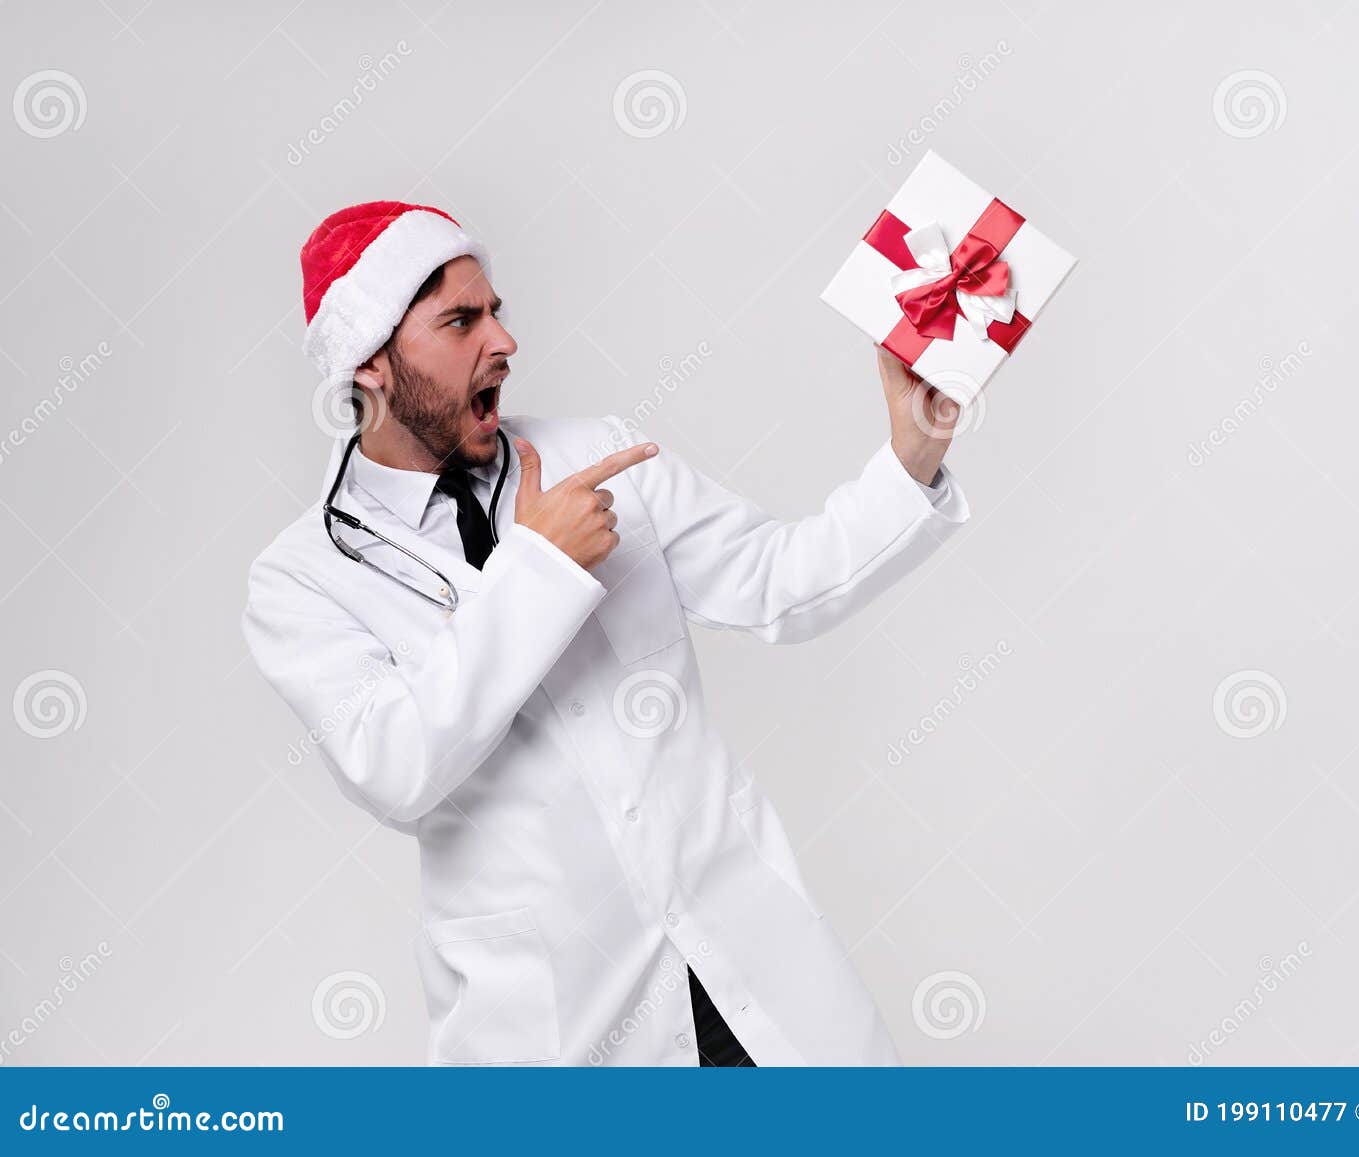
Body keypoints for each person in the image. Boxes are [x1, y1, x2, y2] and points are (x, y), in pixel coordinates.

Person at [241, 200, 971, 1066]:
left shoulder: (602, 456)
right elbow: (396, 768)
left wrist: (911, 452)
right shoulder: (302, 577)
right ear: (370, 363)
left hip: (751, 981)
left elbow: (782, 583)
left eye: (497, 310)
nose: (503, 341)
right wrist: (541, 567)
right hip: (562, 1028)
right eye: (461, 320)